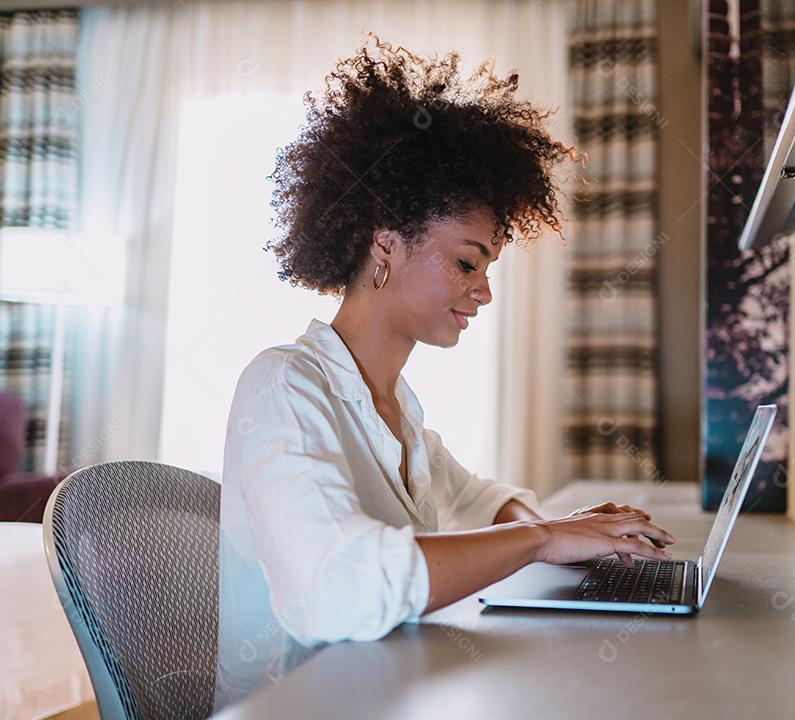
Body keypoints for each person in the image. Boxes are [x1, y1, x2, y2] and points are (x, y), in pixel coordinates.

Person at [214, 36, 677, 709]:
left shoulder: (397, 409)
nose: (483, 291)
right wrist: (540, 538)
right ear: (385, 246)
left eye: (487, 269)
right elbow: (338, 589)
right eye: (467, 263)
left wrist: (556, 532)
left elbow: (475, 502)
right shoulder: (281, 387)